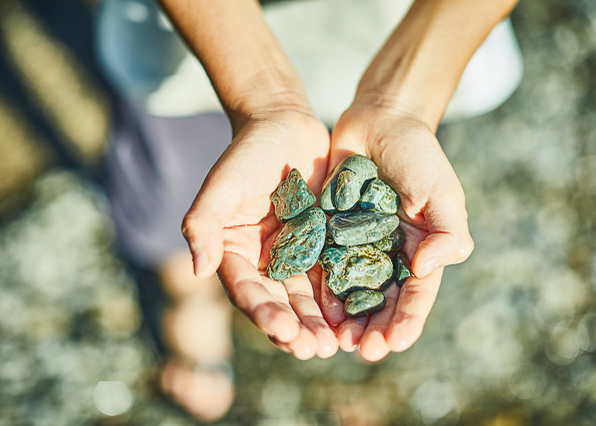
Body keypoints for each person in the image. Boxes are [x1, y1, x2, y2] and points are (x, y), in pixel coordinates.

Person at [97, 0, 522, 420]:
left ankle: (189, 302)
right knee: (184, 207)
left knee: (213, 211)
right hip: (200, 49)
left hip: (422, 64)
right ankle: (190, 302)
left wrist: (402, 106)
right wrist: (264, 99)